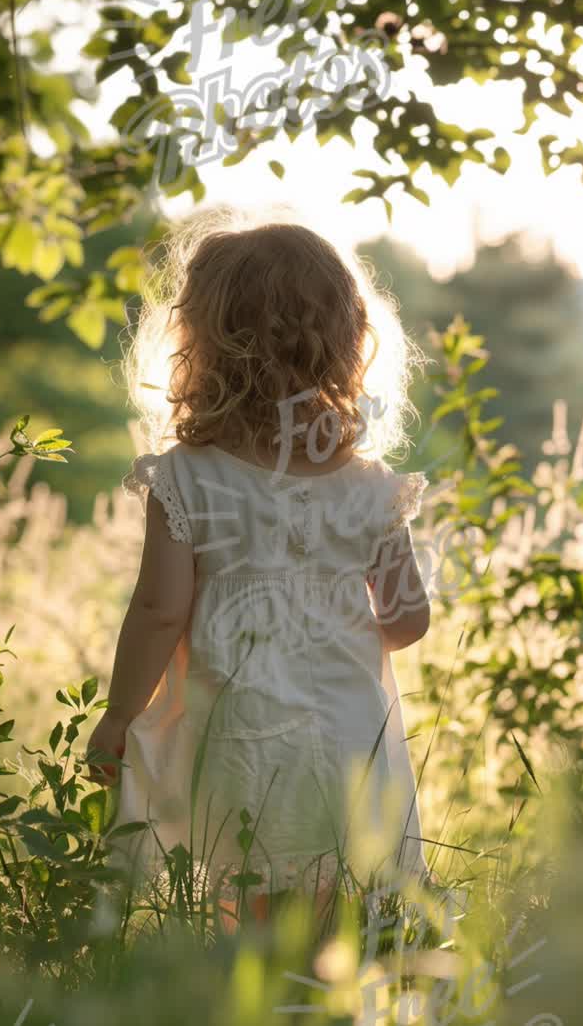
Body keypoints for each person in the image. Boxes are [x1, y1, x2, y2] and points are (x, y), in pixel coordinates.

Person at [86, 211, 433, 931]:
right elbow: (407, 619)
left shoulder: (188, 479)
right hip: (349, 729)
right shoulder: (369, 488)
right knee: (341, 909)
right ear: (346, 342)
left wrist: (120, 714)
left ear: (202, 346)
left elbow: (159, 611)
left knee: (253, 904)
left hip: (241, 729)